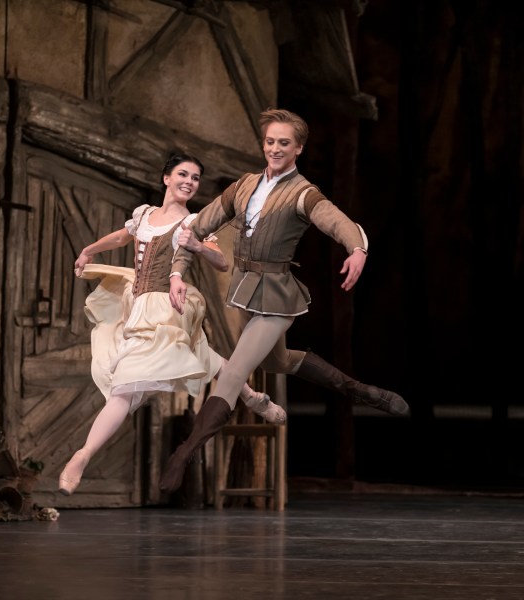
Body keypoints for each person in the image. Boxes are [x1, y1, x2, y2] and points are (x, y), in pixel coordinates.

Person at [160, 109, 409, 493]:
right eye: (270, 142)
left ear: (299, 149)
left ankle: (186, 450)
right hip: (245, 289)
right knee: (277, 361)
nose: (275, 149)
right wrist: (177, 272)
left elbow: (336, 220)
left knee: (232, 373)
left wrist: (357, 248)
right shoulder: (244, 186)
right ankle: (358, 390)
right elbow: (196, 227)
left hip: (276, 295)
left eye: (284, 143)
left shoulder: (303, 193)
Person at [58, 153, 285, 496]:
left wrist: (197, 245)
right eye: (183, 174)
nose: (189, 182)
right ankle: (252, 396)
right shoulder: (144, 214)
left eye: (195, 178)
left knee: (125, 388)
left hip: (167, 305)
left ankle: (84, 454)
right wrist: (89, 251)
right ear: (166, 178)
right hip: (135, 305)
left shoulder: (193, 221)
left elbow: (221, 261)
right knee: (203, 358)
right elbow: (121, 238)